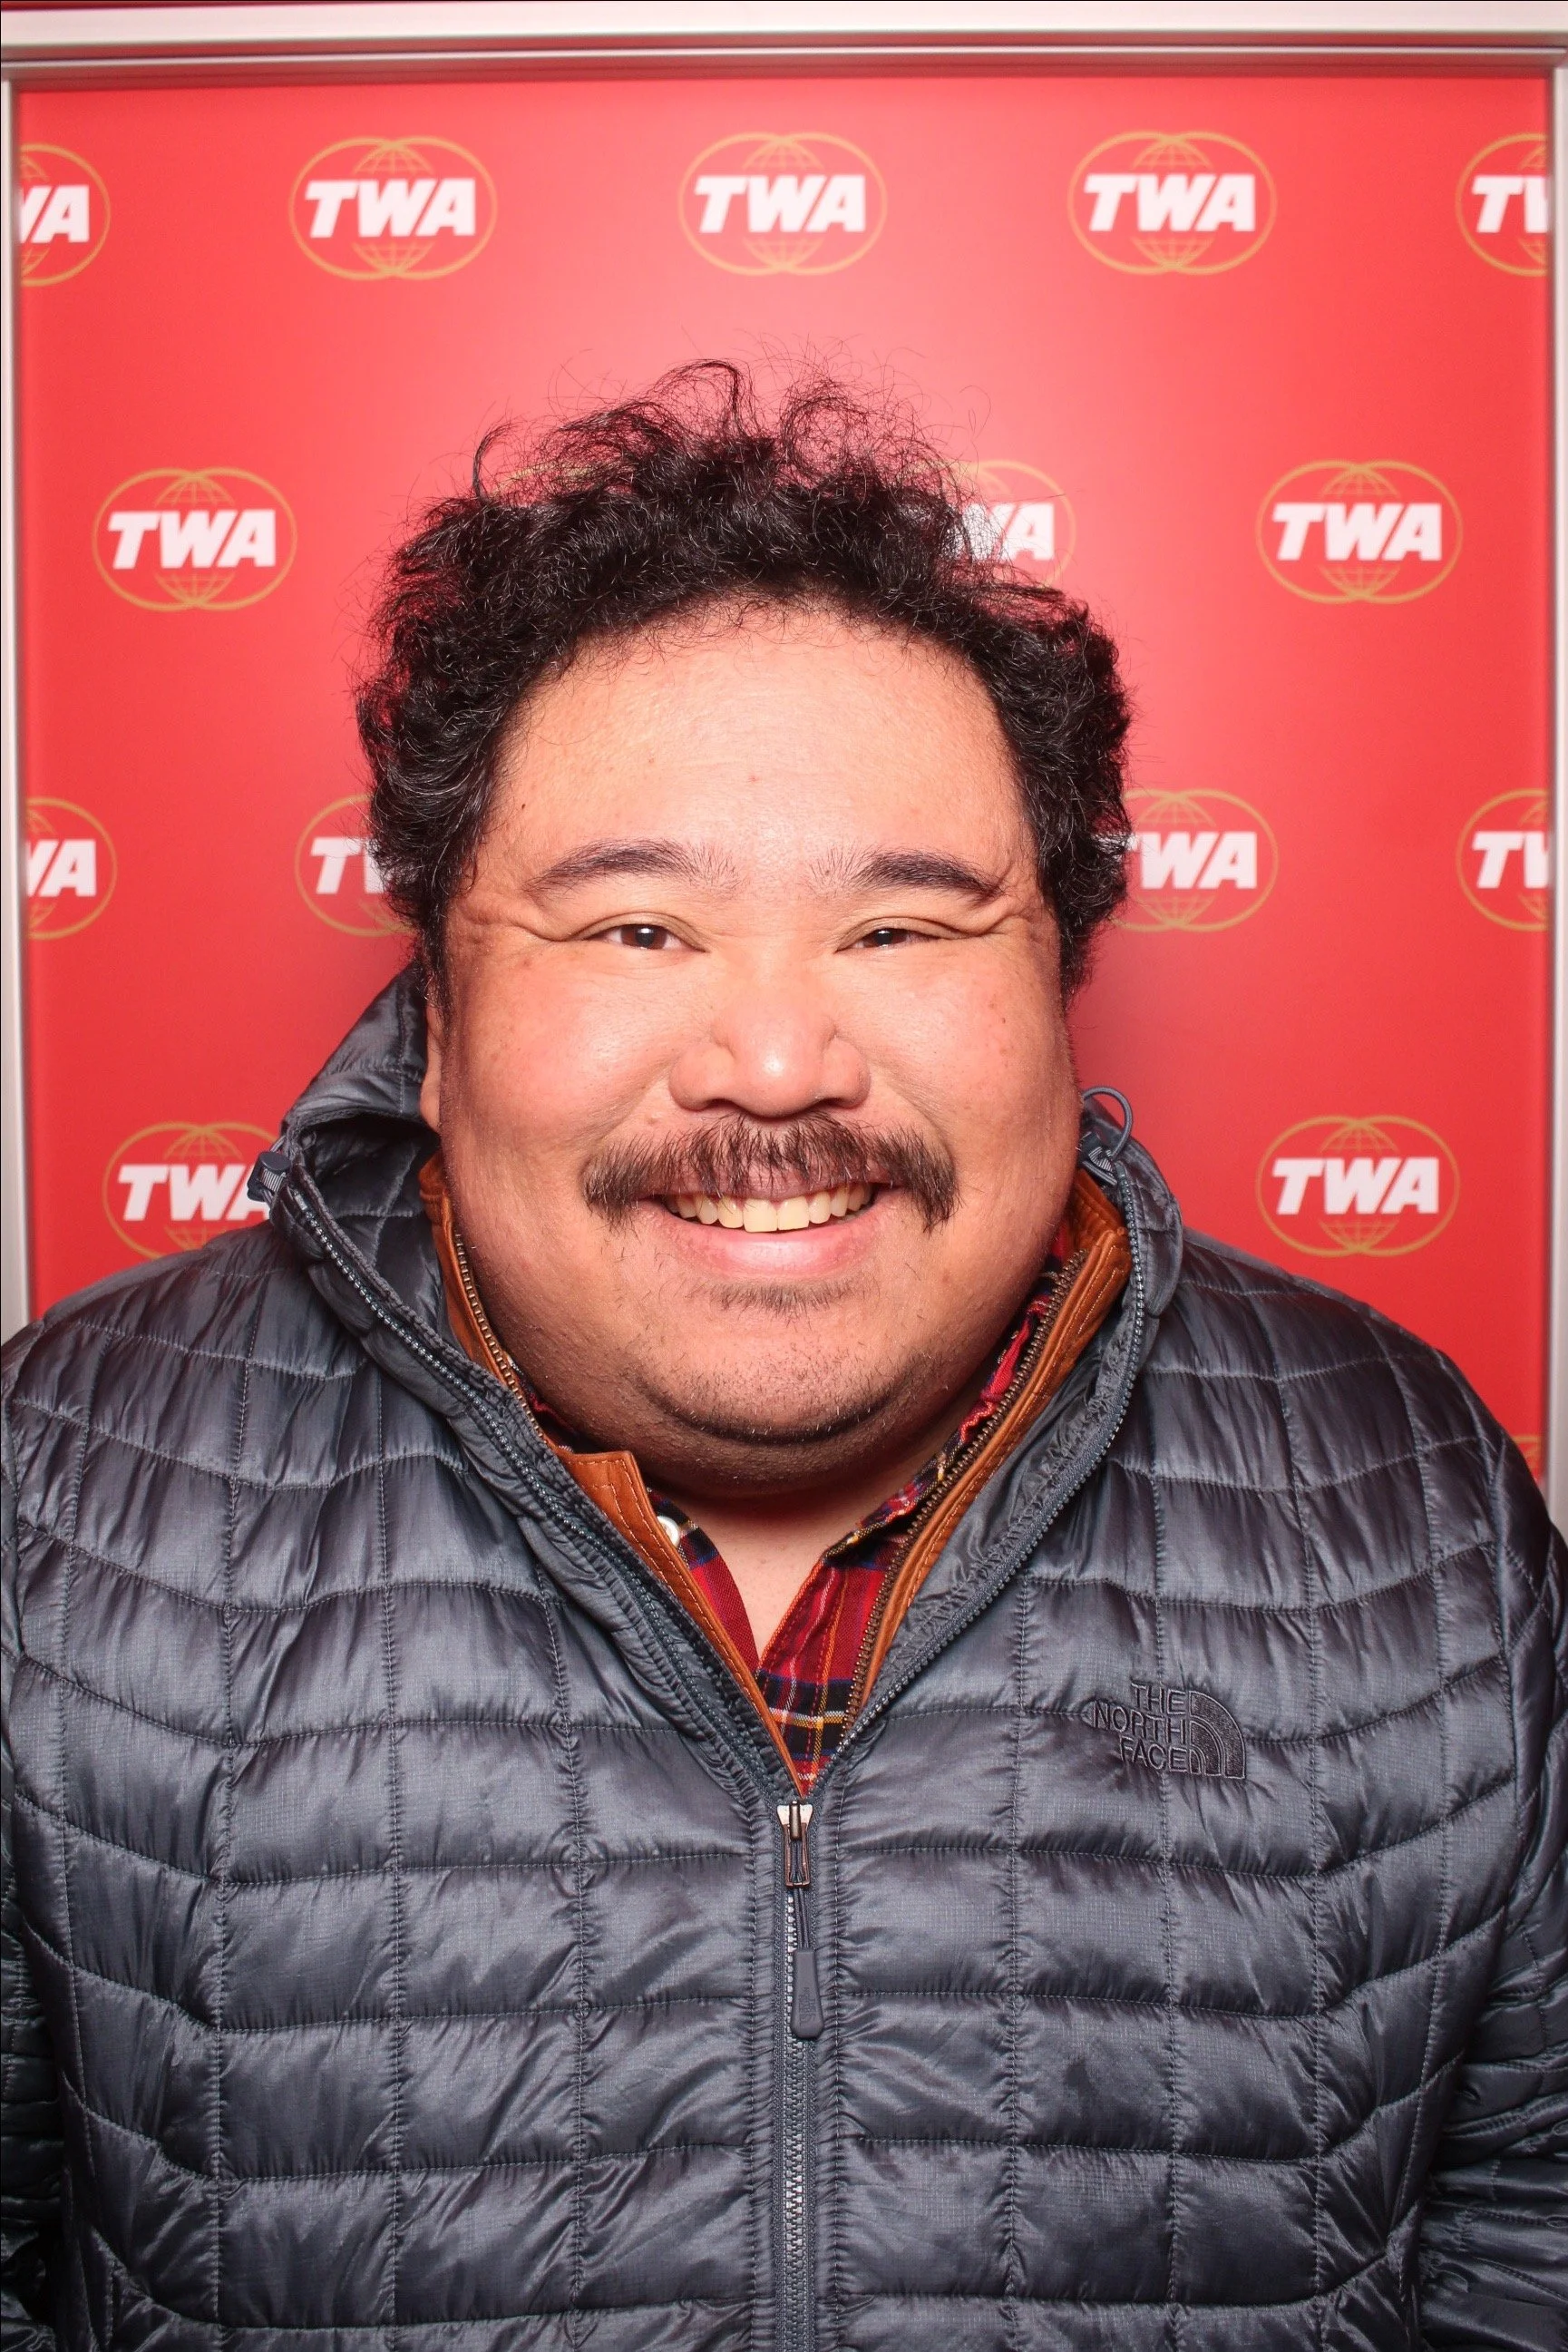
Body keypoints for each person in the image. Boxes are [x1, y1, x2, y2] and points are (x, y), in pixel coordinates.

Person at [3, 365, 1562, 2349]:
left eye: (905, 933)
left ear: (1059, 981)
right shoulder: (52, 1503)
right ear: (444, 996)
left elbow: (1527, 2234)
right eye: (636, 929)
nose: (772, 1060)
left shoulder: (1400, 1490)